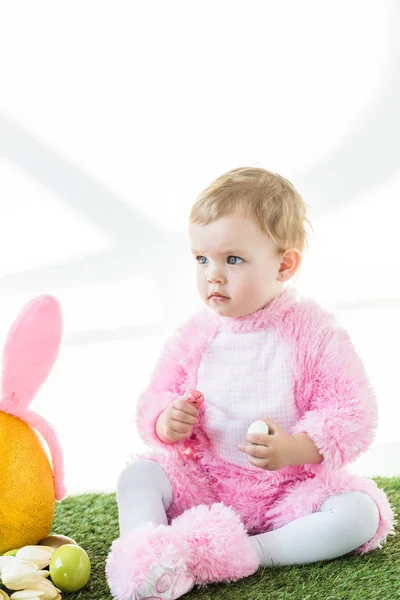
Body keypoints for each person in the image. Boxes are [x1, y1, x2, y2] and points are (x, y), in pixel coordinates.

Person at [106, 167, 395, 600]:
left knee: (359, 514)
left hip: (289, 491)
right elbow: (156, 397)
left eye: (232, 259)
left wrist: (296, 448)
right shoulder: (196, 335)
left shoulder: (312, 332)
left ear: (284, 263)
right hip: (206, 482)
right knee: (138, 475)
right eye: (201, 259)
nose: (213, 276)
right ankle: (148, 556)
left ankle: (252, 551)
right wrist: (168, 421)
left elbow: (353, 413)